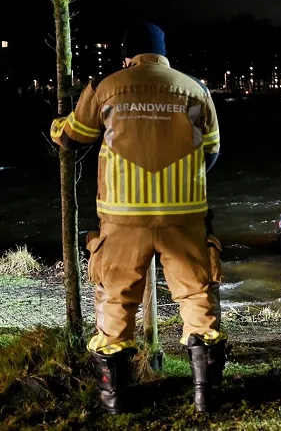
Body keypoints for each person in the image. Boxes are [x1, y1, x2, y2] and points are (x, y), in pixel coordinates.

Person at [49, 21, 226, 414]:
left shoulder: (106, 86)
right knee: (198, 299)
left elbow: (74, 135)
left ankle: (114, 401)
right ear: (163, 53)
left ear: (128, 55)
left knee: (115, 302)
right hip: (184, 217)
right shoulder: (196, 89)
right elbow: (212, 151)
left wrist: (57, 125)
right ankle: (206, 397)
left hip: (122, 218)